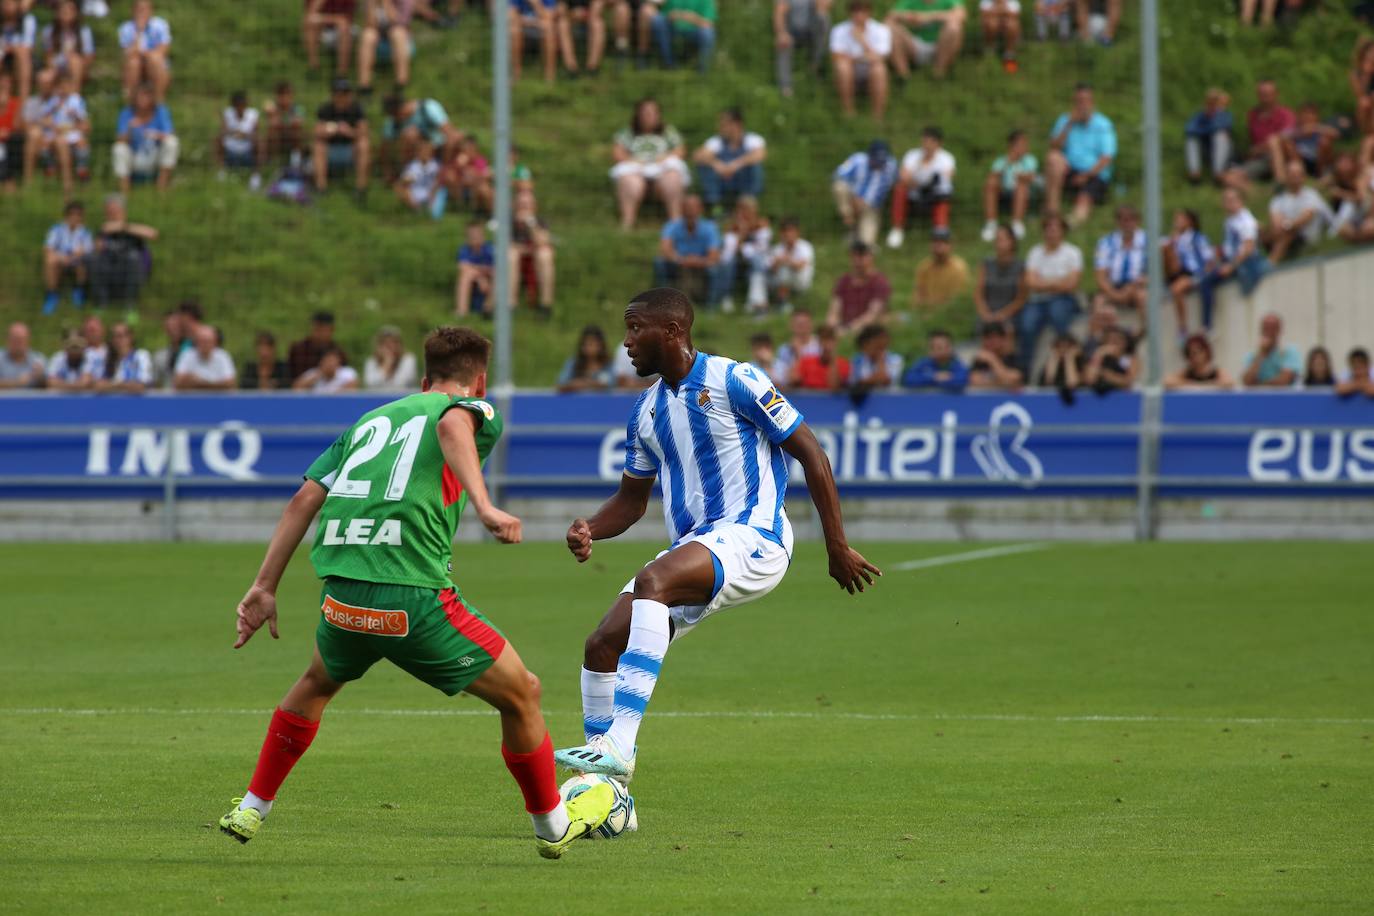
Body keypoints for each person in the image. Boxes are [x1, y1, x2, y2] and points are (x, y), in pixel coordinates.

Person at [218, 326, 615, 857]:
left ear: (423, 377)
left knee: (315, 683)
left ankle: (251, 807)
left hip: (341, 598)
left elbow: (302, 500)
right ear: (478, 382)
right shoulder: (472, 407)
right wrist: (485, 505)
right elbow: (453, 422)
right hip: (412, 601)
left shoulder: (369, 421)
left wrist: (264, 586)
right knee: (524, 693)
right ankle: (552, 827)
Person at [554, 287, 882, 789]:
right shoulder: (644, 411)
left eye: (635, 328)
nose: (626, 342)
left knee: (652, 581)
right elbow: (631, 501)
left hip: (756, 537)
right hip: (698, 546)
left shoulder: (736, 379)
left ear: (673, 331)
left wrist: (835, 545)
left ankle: (619, 745)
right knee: (601, 644)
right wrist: (591, 528)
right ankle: (608, 793)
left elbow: (812, 454)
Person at [610, 97, 688, 230]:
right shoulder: (628, 133)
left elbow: (680, 150)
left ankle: (676, 222)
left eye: (653, 113)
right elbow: (617, 153)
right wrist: (633, 161)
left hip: (662, 169)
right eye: (645, 113)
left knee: (673, 176)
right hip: (636, 169)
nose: (649, 117)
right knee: (629, 179)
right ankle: (627, 222)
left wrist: (665, 157)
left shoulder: (667, 131)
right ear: (638, 115)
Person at [1045, 82, 1117, 226]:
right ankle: (1052, 213)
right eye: (1079, 101)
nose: (1082, 105)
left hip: (1094, 173)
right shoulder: (1065, 120)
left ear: (1092, 102)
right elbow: (1054, 147)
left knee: (1084, 198)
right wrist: (1069, 124)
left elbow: (1106, 158)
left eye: (1085, 101)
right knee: (1053, 158)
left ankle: (1069, 224)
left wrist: (1087, 176)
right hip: (1069, 171)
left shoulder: (1103, 124)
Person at [1197, 187, 1266, 331]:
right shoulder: (1230, 220)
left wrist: (1231, 266)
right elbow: (1229, 247)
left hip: (1245, 265)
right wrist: (1215, 261)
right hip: (1233, 261)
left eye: (1232, 200)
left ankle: (1207, 325)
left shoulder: (1245, 221)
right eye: (1226, 200)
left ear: (1240, 201)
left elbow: (1248, 248)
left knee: (1206, 282)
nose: (1229, 203)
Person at [1019, 214, 1081, 372]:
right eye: (1048, 229)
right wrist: (1057, 281)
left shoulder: (1072, 253)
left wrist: (1044, 282)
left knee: (1059, 317)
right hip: (1038, 300)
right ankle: (1025, 371)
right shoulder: (1035, 252)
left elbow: (1071, 284)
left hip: (1063, 299)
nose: (1052, 233)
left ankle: (1066, 366)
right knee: (1026, 324)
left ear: (1063, 232)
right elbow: (1030, 282)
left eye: (1056, 229)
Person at [887, 125, 954, 248]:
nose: (927, 145)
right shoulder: (912, 155)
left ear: (938, 143)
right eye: (925, 141)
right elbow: (903, 177)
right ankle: (897, 229)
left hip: (934, 195)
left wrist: (918, 180)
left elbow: (945, 181)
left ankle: (940, 234)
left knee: (943, 200)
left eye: (930, 142)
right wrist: (921, 181)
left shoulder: (947, 158)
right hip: (914, 194)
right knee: (899, 189)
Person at [654, 193, 724, 308]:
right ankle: (662, 302)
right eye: (687, 208)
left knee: (715, 269)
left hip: (702, 265)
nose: (690, 211)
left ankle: (710, 306)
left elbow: (714, 255)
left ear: (700, 209)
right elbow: (665, 249)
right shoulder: (672, 226)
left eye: (693, 208)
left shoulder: (710, 228)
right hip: (678, 264)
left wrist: (697, 261)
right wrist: (680, 259)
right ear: (682, 209)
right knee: (659, 262)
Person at [87, 193, 156, 308]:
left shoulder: (133, 229)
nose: (111, 215)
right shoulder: (104, 231)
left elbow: (153, 234)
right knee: (94, 259)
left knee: (132, 257)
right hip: (110, 274)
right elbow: (95, 249)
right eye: (108, 212)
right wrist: (101, 239)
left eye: (114, 211)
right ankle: (101, 304)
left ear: (123, 211)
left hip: (131, 275)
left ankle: (130, 306)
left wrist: (123, 227)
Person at [692, 107, 766, 213]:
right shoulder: (716, 141)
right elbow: (698, 155)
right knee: (704, 165)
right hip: (723, 180)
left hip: (743, 180)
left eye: (724, 124)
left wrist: (735, 165)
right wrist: (717, 165)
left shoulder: (753, 140)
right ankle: (715, 205)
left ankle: (749, 202)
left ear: (737, 124)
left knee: (755, 166)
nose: (720, 127)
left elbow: (760, 155)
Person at [1226, 79, 1293, 191]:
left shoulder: (1286, 114)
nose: (1265, 97)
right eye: (1262, 94)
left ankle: (1280, 181)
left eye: (1268, 94)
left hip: (1282, 156)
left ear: (1276, 94)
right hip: (1261, 159)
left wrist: (1261, 148)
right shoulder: (1252, 115)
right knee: (1229, 177)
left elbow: (1287, 137)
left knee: (1273, 141)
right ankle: (1257, 194)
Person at [829, 1, 891, 120]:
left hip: (870, 70)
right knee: (843, 67)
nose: (859, 15)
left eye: (862, 11)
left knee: (879, 69)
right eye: (855, 11)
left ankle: (878, 115)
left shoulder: (881, 29)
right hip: (849, 71)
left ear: (869, 12)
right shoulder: (839, 30)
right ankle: (848, 111)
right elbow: (836, 56)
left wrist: (862, 41)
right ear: (849, 13)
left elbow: (881, 57)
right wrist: (864, 58)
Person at [30, 70, 88, 195]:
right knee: (47, 144)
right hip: (56, 133)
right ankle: (52, 170)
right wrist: (51, 122)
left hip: (71, 133)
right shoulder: (53, 101)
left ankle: (80, 172)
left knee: (80, 145)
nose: (64, 88)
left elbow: (84, 123)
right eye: (61, 85)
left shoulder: (76, 100)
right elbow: (43, 119)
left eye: (67, 85)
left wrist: (76, 119)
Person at [113, 81, 177, 194]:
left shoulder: (160, 111)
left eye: (147, 96)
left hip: (154, 153)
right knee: (119, 149)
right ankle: (125, 192)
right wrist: (129, 129)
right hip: (134, 155)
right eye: (140, 96)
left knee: (172, 142)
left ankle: (161, 188)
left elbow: (169, 133)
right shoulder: (127, 113)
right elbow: (120, 139)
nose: (143, 100)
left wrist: (155, 134)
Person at [832, 139, 897, 247]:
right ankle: (850, 224)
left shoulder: (890, 168)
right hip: (852, 198)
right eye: (877, 160)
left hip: (871, 209)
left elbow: (879, 197)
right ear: (869, 156)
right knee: (839, 187)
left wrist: (862, 203)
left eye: (882, 160)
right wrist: (854, 197)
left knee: (866, 245)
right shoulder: (857, 160)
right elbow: (838, 176)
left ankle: (855, 234)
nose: (879, 164)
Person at [1264, 161, 1331, 264]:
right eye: (1292, 174)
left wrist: (1288, 225)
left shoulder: (1311, 195)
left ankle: (1269, 264)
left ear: (1303, 177)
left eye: (1298, 174)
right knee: (1260, 231)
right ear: (1286, 176)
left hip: (1305, 236)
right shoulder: (1278, 199)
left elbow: (1306, 217)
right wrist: (1285, 226)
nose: (1295, 178)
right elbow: (1276, 221)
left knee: (1288, 234)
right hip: (1281, 233)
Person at [313, 77, 370, 198]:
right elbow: (317, 132)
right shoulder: (325, 109)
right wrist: (331, 132)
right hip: (330, 150)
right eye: (338, 94)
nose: (341, 97)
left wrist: (349, 132)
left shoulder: (357, 109)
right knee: (318, 145)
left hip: (350, 151)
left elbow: (364, 132)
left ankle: (361, 188)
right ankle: (321, 187)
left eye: (345, 93)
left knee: (363, 144)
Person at [1161, 208, 1214, 336]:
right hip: (1175, 273)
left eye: (1180, 218)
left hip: (1193, 273)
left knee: (1177, 289)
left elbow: (1209, 259)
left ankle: (1183, 327)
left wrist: (1204, 275)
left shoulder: (1198, 238)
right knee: (1165, 249)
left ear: (1189, 221)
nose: (1176, 222)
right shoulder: (1172, 240)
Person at [382, 94, 463, 177]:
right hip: (419, 151)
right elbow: (385, 148)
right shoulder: (393, 122)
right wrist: (387, 169)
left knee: (456, 138)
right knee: (410, 134)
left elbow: (449, 131)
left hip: (439, 146)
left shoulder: (428, 107)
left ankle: (444, 172)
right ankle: (409, 172)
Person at [981, 128, 1039, 242]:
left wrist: (1021, 176)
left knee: (1021, 185)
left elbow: (1031, 177)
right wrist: (1007, 163)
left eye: (1025, 144)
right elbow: (992, 177)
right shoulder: (1001, 160)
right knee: (991, 184)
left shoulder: (1029, 160)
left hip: (1025, 193)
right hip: (1004, 192)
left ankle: (1016, 223)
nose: (1024, 147)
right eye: (1020, 144)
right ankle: (991, 224)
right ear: (1011, 146)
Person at [885, 0, 965, 81]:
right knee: (890, 27)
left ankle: (939, 73)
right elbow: (890, 17)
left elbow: (960, 16)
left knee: (954, 27)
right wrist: (909, 17)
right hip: (915, 45)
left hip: (941, 45)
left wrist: (931, 17)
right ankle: (903, 75)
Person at [719, 194, 771, 313]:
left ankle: (753, 300)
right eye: (742, 210)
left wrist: (746, 234)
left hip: (755, 262)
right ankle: (726, 297)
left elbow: (761, 249)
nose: (745, 214)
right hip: (736, 263)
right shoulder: (731, 228)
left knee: (757, 260)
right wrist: (742, 233)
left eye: (748, 210)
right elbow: (729, 252)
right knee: (728, 262)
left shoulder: (763, 226)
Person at [1093, 204, 1148, 315]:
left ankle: (1144, 330)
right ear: (1117, 222)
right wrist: (1115, 295)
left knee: (1142, 297)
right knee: (1098, 302)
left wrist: (1134, 286)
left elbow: (1156, 272)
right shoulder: (1104, 242)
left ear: (1138, 221)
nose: (1127, 224)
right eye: (1124, 220)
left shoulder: (1149, 241)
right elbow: (1100, 275)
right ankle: (1097, 332)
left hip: (1138, 287)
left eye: (1131, 220)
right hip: (1113, 287)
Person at [827, 242, 890, 336]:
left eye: (861, 256)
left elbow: (872, 314)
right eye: (854, 256)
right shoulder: (844, 280)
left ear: (871, 257)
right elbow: (834, 309)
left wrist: (848, 330)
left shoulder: (880, 282)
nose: (857, 260)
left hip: (868, 332)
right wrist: (832, 327)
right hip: (843, 328)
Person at [509, 188, 555, 314]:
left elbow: (542, 241)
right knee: (511, 256)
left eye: (527, 205)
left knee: (545, 255)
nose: (523, 208)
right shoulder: (509, 223)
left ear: (534, 207)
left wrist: (530, 224)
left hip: (535, 259)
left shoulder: (539, 222)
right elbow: (505, 246)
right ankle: (510, 304)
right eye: (521, 205)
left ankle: (545, 305)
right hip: (515, 259)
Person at [42, 199, 91, 314]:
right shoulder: (56, 229)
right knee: (49, 260)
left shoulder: (85, 232)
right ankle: (51, 294)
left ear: (82, 217)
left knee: (84, 260)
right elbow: (48, 248)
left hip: (76, 260)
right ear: (66, 215)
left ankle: (79, 291)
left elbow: (87, 249)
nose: (75, 217)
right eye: (72, 214)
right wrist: (61, 257)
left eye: (78, 215)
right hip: (60, 259)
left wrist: (74, 256)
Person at [774, 0, 831, 98]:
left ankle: (815, 66)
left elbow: (826, 6)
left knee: (823, 19)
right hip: (790, 31)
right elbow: (779, 12)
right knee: (783, 44)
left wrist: (820, 6)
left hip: (811, 31)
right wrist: (781, 33)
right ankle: (786, 87)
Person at [973, 224, 1027, 329]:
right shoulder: (986, 264)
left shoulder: (1021, 266)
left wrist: (1002, 315)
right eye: (996, 240)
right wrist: (984, 313)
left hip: (1011, 314)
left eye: (1002, 239)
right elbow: (978, 293)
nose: (998, 243)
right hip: (988, 312)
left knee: (1006, 328)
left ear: (1012, 241)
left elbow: (1021, 298)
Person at [118, 0, 171, 101]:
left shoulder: (160, 25)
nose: (141, 12)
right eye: (139, 9)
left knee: (155, 59)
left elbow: (163, 50)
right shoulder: (126, 28)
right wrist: (139, 32)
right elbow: (126, 53)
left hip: (154, 63)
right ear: (133, 11)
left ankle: (158, 99)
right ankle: (130, 100)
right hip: (137, 63)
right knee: (133, 63)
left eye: (145, 9)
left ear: (151, 11)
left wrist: (142, 53)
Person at [358, 0, 413, 93]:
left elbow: (396, 21)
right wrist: (372, 4)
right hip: (377, 31)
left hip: (398, 30)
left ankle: (401, 81)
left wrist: (385, 2)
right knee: (367, 36)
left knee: (397, 34)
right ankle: (364, 84)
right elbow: (370, 23)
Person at [40, 0, 95, 90]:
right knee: (43, 77)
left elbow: (89, 56)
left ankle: (74, 97)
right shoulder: (49, 31)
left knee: (74, 61)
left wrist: (80, 66)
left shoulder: (83, 31)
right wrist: (54, 68)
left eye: (70, 10)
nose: (66, 13)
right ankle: (51, 101)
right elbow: (48, 55)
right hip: (57, 66)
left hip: (77, 66)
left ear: (75, 13)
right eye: (63, 11)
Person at [912, 227, 969, 312]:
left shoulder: (958, 268)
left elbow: (958, 300)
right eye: (935, 241)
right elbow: (918, 294)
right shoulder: (924, 266)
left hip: (947, 315)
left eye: (943, 242)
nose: (938, 245)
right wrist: (918, 310)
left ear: (951, 245)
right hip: (924, 313)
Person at [1184, 88, 1234, 186]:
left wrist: (1204, 129)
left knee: (1220, 135)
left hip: (1223, 154)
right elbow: (1189, 129)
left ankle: (1218, 174)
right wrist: (1207, 128)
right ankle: (1194, 173)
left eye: (1215, 102)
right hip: (1206, 151)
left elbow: (1220, 127)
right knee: (1191, 139)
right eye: (1209, 102)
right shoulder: (1200, 116)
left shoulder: (1225, 115)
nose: (1212, 105)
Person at [649, 0, 716, 72]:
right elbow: (664, 14)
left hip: (694, 31)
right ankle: (669, 65)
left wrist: (692, 18)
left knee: (707, 33)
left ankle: (702, 68)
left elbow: (709, 24)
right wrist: (671, 16)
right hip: (674, 28)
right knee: (658, 21)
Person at [766, 216, 815, 311]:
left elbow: (800, 266)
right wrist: (777, 262)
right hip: (780, 281)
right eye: (785, 231)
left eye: (791, 231)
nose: (788, 234)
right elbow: (772, 270)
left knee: (785, 268)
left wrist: (786, 260)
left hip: (800, 281)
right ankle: (762, 304)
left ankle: (782, 303)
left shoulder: (805, 246)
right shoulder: (777, 248)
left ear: (797, 232)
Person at [1240, 313, 1301, 388]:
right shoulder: (1252, 356)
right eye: (1266, 328)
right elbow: (1247, 381)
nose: (1269, 332)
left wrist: (1259, 386)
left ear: (1279, 330)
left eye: (1273, 328)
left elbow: (1284, 381)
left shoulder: (1290, 352)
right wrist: (1260, 355)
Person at [90, 321, 152, 393]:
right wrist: (122, 385)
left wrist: (113, 384)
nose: (117, 340)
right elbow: (98, 386)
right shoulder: (107, 357)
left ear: (130, 337)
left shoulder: (141, 355)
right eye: (114, 336)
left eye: (120, 336)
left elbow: (140, 385)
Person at [901, 328, 968, 392]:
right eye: (933, 347)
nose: (935, 350)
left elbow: (962, 380)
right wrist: (934, 377)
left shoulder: (958, 365)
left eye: (940, 347)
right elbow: (909, 379)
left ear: (950, 347)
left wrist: (946, 380)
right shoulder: (923, 364)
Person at [174, 325, 237, 391]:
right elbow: (178, 383)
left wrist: (200, 382)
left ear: (215, 342)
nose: (205, 345)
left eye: (208, 341)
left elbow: (230, 384)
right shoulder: (187, 355)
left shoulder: (223, 356)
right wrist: (217, 384)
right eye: (202, 341)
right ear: (196, 342)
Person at [288, 311, 348, 380]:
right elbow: (290, 377)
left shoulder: (339, 353)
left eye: (324, 330)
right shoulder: (298, 349)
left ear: (332, 330)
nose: (320, 334)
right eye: (317, 329)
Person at [303, 0, 356, 76]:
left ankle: (341, 75)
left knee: (344, 28)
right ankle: (314, 67)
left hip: (345, 30)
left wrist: (322, 18)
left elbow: (347, 20)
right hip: (325, 28)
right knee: (312, 23)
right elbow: (308, 18)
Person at [217, 90, 260, 181]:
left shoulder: (253, 114)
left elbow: (256, 134)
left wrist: (244, 135)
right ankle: (221, 170)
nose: (240, 108)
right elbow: (223, 131)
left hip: (247, 149)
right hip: (231, 149)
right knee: (217, 139)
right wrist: (236, 133)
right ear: (234, 106)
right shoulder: (228, 113)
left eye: (243, 105)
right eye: (238, 106)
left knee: (260, 142)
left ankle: (255, 174)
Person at [556, 0, 607, 77]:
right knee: (562, 24)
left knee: (598, 24)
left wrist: (585, 14)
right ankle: (571, 68)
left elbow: (597, 9)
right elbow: (561, 10)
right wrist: (572, 14)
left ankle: (592, 67)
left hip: (590, 16)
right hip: (570, 17)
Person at [510, 0, 557, 83]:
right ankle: (516, 73)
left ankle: (549, 75)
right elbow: (511, 15)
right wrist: (533, 22)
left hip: (539, 25)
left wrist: (536, 4)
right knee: (514, 30)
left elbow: (549, 17)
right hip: (525, 24)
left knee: (549, 30)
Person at [455, 220, 495, 317]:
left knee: (498, 275)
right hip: (476, 282)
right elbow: (462, 267)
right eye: (472, 236)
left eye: (477, 235)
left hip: (490, 283)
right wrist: (480, 278)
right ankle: (461, 311)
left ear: (483, 236)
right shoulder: (464, 249)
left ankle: (489, 307)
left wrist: (480, 273)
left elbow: (496, 268)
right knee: (466, 275)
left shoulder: (490, 249)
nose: (475, 238)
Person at [1164, 334, 1232, 390]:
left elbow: (1229, 382)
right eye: (1191, 353)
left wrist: (1203, 386)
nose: (1196, 356)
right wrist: (1194, 385)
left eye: (1199, 351)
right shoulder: (1186, 372)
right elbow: (1168, 381)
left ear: (1206, 352)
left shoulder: (1215, 372)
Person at [557, 325, 615, 392]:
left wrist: (585, 383)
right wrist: (573, 385)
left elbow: (611, 383)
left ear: (601, 345)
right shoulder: (574, 362)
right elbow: (561, 384)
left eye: (592, 343)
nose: (588, 347)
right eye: (585, 344)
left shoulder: (608, 363)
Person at [794, 322, 850, 391]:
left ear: (836, 342)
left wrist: (832, 357)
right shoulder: (807, 361)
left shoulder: (843, 364)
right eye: (823, 339)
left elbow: (834, 386)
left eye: (830, 339)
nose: (826, 343)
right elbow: (794, 380)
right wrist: (798, 353)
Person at [968, 322, 1023, 390]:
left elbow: (1013, 379)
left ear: (1003, 339)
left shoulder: (1012, 357)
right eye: (988, 338)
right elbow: (975, 380)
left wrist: (992, 360)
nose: (992, 342)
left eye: (996, 338)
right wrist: (1001, 381)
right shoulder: (980, 360)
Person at [262, 81, 305, 169]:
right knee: (272, 130)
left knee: (297, 130)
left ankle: (296, 160)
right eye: (282, 95)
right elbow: (273, 122)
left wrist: (282, 121)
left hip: (291, 137)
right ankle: (274, 160)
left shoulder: (298, 108)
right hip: (277, 137)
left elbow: (298, 122)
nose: (285, 98)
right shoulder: (272, 107)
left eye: (287, 94)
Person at [0, 0, 36, 103]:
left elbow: (28, 46)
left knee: (22, 53)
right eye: (3, 3)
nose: (6, 7)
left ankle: (23, 103)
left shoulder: (27, 19)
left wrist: (11, 48)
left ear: (17, 5)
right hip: (3, 57)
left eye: (9, 3)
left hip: (22, 59)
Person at [850, 323, 903, 391]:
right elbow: (856, 383)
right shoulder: (857, 360)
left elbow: (885, 380)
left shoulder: (895, 359)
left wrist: (880, 359)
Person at [363, 325, 418, 391]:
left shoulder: (408, 359)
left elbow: (401, 384)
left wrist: (390, 362)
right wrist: (386, 365)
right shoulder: (371, 361)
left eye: (394, 343)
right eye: (386, 344)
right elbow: (371, 384)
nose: (390, 347)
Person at [1083, 325, 1136, 393]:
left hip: (1123, 397)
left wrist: (1106, 374)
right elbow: (1089, 379)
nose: (1113, 343)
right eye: (1109, 339)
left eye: (1117, 340)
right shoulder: (1098, 356)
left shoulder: (1130, 358)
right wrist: (1099, 354)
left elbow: (1128, 381)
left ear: (1125, 342)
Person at [773, 309, 819, 386]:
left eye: (804, 324)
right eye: (798, 324)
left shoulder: (819, 346)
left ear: (811, 325)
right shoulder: (784, 350)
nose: (801, 328)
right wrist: (797, 354)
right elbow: (785, 378)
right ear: (791, 326)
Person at [396, 137, 441, 214]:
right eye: (422, 151)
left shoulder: (435, 165)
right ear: (417, 153)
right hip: (414, 191)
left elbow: (438, 181)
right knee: (402, 188)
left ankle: (426, 208)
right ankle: (415, 208)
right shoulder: (412, 166)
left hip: (430, 191)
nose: (425, 153)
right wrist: (407, 180)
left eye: (427, 151)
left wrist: (432, 193)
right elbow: (404, 181)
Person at [294, 344, 360, 392]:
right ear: (321, 361)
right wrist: (319, 375)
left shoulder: (347, 372)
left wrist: (331, 395)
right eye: (328, 360)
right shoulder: (313, 373)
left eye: (333, 360)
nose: (331, 364)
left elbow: (352, 386)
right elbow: (296, 387)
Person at [0, 321, 45, 389]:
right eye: (16, 340)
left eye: (22, 340)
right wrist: (17, 382)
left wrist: (40, 378)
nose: (19, 344)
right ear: (8, 340)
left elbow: (49, 384)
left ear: (28, 340)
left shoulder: (38, 359)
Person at [979, 0, 1021, 71]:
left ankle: (1009, 54)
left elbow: (1015, 15)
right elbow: (984, 15)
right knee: (992, 24)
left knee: (1012, 25)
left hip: (1006, 23)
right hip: (992, 22)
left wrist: (996, 11)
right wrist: (1003, 11)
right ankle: (990, 49)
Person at [0, 71, 21, 192]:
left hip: (9, 140)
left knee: (15, 141)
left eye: (7, 82)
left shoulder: (15, 102)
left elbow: (17, 126)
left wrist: (6, 105)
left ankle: (9, 180)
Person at [1352, 37, 1374, 144]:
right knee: (1363, 103)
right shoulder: (1356, 73)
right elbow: (1360, 95)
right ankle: (1367, 132)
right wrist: (1367, 75)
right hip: (1367, 108)